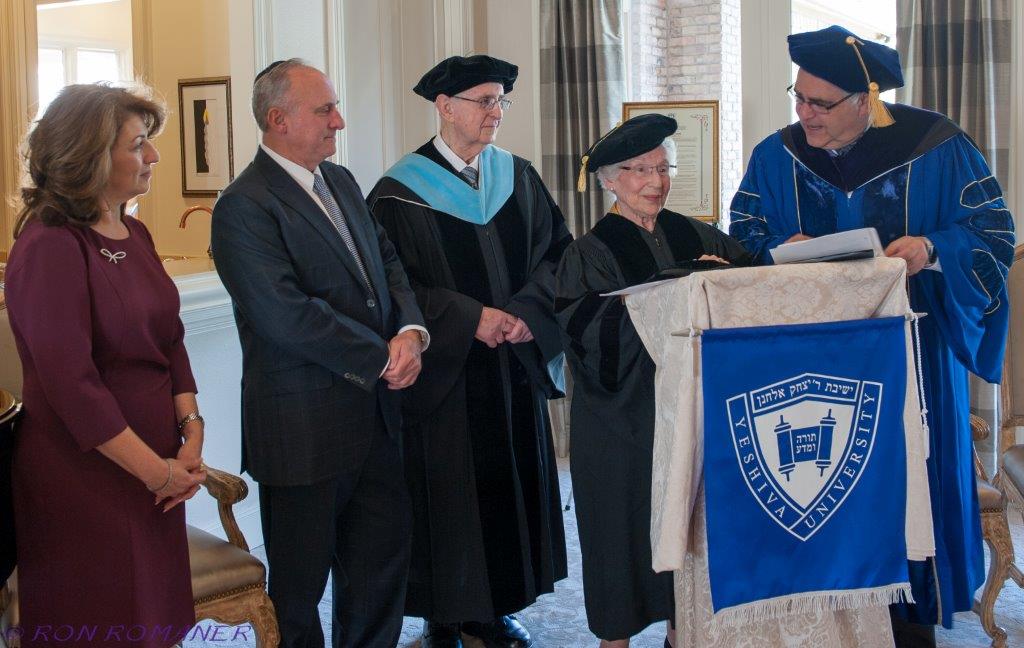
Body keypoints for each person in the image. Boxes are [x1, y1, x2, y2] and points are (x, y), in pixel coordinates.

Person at [728, 25, 1015, 646]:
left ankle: (910, 619)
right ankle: (824, 615)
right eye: (798, 98)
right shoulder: (778, 155)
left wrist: (936, 248)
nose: (805, 114)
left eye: (820, 103)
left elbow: (994, 234)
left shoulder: (937, 145)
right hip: (812, 356)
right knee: (822, 475)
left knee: (905, 480)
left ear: (867, 99)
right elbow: (742, 233)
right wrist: (777, 249)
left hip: (910, 353)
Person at [210, 59, 427, 648]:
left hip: (376, 419)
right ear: (278, 119)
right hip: (300, 430)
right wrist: (381, 356)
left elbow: (388, 270)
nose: (340, 120)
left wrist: (410, 332)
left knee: (379, 570)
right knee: (299, 592)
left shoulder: (344, 182)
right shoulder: (243, 206)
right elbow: (286, 315)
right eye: (324, 109)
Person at [367, 55, 570, 648]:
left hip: (510, 365)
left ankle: (495, 610)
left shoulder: (519, 175)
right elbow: (389, 286)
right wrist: (468, 319)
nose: (495, 112)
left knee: (507, 486)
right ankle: (444, 615)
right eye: (484, 100)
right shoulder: (399, 192)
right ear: (445, 106)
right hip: (445, 377)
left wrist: (528, 315)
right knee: (447, 492)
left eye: (501, 101)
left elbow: (557, 256)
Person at [4, 83, 206, 647]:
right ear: (89, 155)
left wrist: (191, 431)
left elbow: (171, 340)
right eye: (138, 144)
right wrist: (153, 470)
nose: (154, 157)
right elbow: (72, 384)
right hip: (85, 475)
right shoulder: (48, 245)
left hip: (159, 472)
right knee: (101, 623)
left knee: (154, 623)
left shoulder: (135, 232)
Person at [555, 114, 752, 648]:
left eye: (662, 168)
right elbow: (584, 334)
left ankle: (679, 632)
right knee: (621, 530)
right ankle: (615, 640)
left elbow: (749, 282)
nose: (655, 181)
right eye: (639, 169)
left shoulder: (695, 233)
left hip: (693, 409)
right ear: (610, 181)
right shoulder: (588, 253)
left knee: (691, 523)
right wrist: (669, 292)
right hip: (623, 420)